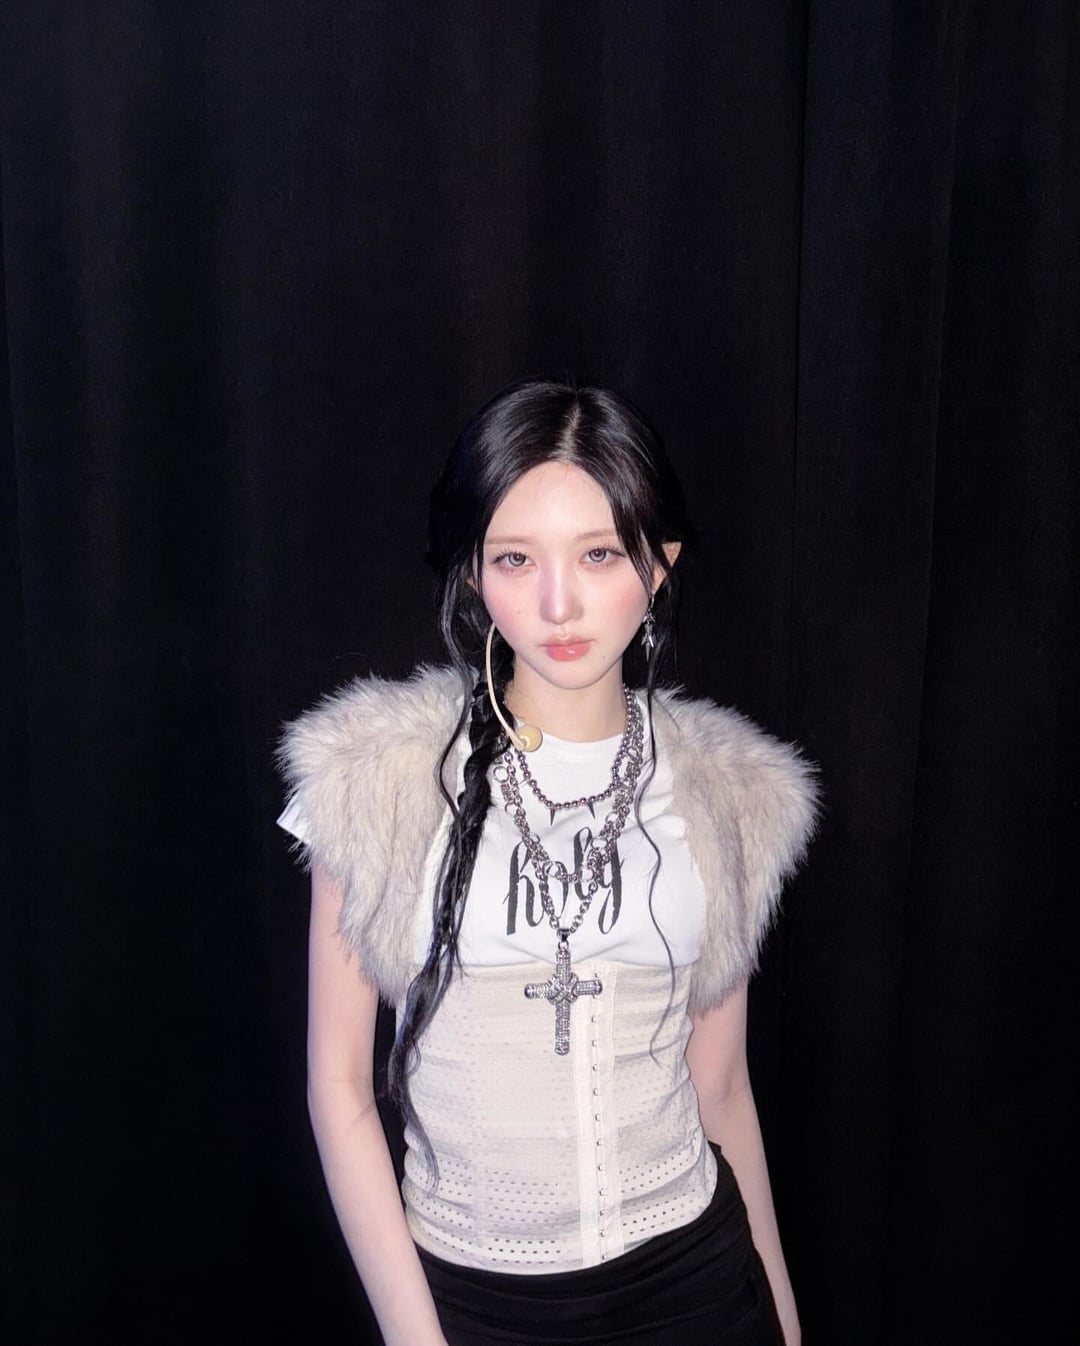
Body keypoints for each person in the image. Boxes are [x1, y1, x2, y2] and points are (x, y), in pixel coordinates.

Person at [276, 378, 818, 1346]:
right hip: (475, 1301)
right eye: (516, 558)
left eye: (600, 553)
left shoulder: (728, 790)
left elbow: (722, 1087)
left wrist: (780, 1315)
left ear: (659, 564)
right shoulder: (374, 781)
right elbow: (341, 1090)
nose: (558, 602)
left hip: (697, 1284)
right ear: (473, 573)